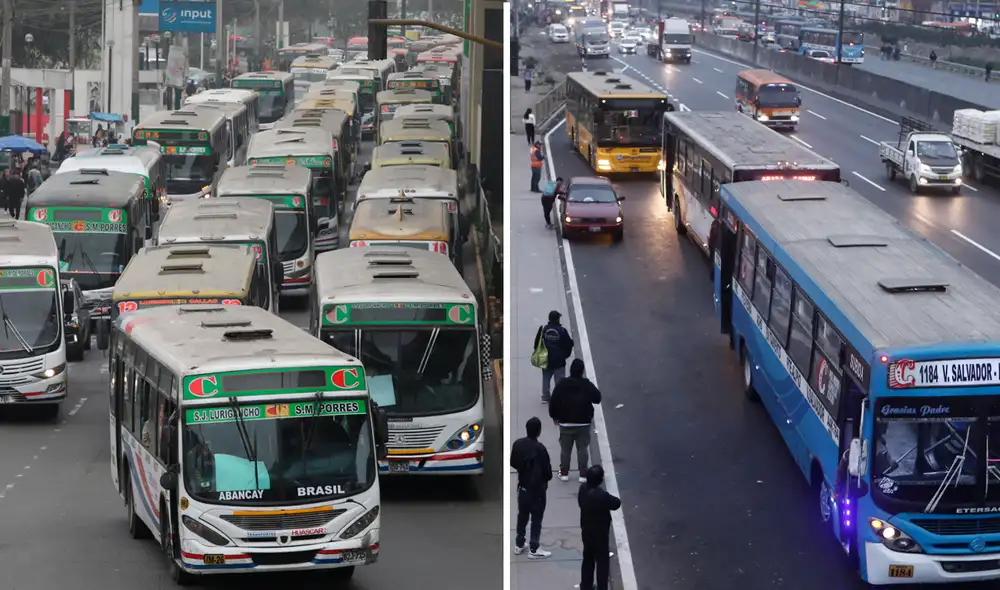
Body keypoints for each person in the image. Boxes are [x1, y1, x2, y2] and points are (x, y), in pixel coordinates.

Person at [549, 358, 602, 482]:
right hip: (583, 422)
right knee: (582, 449)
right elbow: (597, 398)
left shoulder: (562, 385)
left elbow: (554, 401)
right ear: (582, 371)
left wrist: (554, 416)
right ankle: (583, 474)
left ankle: (564, 472)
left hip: (565, 422)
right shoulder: (586, 385)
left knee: (565, 449)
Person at [510, 417, 553, 559]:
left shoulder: (518, 444)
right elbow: (548, 472)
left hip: (522, 487)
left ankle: (519, 544)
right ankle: (534, 548)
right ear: (539, 431)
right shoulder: (541, 449)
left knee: (522, 516)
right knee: (536, 518)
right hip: (537, 491)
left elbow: (513, 463)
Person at [579, 465, 621, 590]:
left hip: (586, 530)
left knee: (588, 559)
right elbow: (616, 503)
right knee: (602, 563)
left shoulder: (583, 489)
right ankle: (602, 587)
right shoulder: (601, 495)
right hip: (600, 534)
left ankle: (586, 585)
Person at [533, 310, 574, 403]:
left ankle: (545, 397)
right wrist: (565, 355)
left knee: (546, 378)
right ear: (557, 319)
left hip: (546, 359)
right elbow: (569, 343)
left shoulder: (544, 329)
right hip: (559, 360)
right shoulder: (562, 331)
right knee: (560, 380)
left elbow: (537, 343)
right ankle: (559, 398)